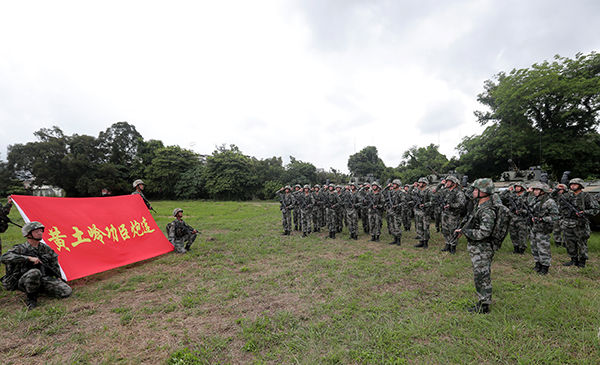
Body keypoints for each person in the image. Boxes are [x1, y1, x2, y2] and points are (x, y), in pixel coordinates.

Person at [1, 221, 72, 309]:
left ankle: (37, 288)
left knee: (66, 291)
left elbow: (54, 263)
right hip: (20, 280)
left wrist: (58, 277)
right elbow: (4, 258)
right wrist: (28, 258)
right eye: (36, 231)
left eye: (41, 231)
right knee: (35, 272)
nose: (40, 233)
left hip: (41, 277)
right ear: (28, 235)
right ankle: (31, 299)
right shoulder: (20, 248)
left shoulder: (45, 248)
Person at [455, 178, 496, 314]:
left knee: (482, 276)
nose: (473, 192)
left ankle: (484, 305)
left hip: (483, 248)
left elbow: (484, 232)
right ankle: (483, 301)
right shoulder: (479, 206)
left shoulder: (487, 210)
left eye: (476, 190)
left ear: (484, 192)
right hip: (478, 247)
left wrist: (466, 232)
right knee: (479, 275)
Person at [559, 178, 599, 268]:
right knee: (570, 243)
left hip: (580, 224)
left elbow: (596, 209)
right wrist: (557, 189)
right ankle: (573, 260)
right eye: (571, 184)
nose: (572, 186)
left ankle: (582, 261)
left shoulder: (586, 196)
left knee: (581, 243)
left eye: (575, 184)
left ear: (580, 185)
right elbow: (554, 197)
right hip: (568, 223)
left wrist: (584, 212)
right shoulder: (567, 196)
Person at [528, 182, 559, 275]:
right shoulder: (534, 200)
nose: (535, 191)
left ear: (543, 191)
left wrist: (543, 219)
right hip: (534, 228)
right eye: (534, 190)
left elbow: (555, 216)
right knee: (534, 247)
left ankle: (545, 266)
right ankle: (538, 264)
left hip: (543, 228)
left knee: (543, 248)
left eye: (537, 190)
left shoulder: (549, 202)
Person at [441, 176, 466, 254]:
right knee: (445, 230)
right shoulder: (446, 191)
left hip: (453, 215)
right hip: (445, 214)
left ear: (454, 183)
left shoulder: (459, 192)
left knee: (453, 231)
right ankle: (447, 244)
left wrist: (451, 205)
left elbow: (462, 204)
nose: (447, 183)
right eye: (447, 181)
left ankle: (453, 246)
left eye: (449, 181)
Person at [413, 177, 433, 248]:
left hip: (425, 212)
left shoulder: (428, 191)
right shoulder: (417, 191)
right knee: (419, 227)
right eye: (419, 182)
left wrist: (425, 205)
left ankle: (425, 242)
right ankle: (421, 241)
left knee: (425, 228)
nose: (420, 183)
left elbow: (432, 201)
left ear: (425, 183)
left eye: (421, 182)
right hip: (418, 211)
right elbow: (412, 195)